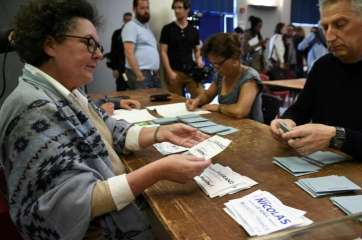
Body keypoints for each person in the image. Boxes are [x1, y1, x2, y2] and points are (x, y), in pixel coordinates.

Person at [0, 0, 211, 239]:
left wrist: (161, 132)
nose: (99, 54)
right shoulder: (33, 108)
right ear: (50, 44)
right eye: (89, 43)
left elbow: (106, 125)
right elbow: (73, 205)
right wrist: (158, 171)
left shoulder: (64, 91)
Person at [270, 0, 362, 172]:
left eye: (340, 24)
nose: (330, 36)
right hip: (322, 170)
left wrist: (336, 137)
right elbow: (300, 109)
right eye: (325, 28)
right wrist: (287, 121)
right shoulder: (322, 66)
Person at [186, 33, 264, 123]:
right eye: (213, 64)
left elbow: (240, 111)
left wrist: (219, 107)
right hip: (229, 124)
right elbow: (208, 95)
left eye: (219, 64)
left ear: (235, 58)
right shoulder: (221, 74)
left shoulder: (249, 78)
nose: (215, 68)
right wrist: (197, 101)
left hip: (252, 130)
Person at [160, 0, 204, 98]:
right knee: (177, 102)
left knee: (201, 97)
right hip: (174, 71)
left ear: (187, 9)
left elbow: (197, 49)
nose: (176, 11)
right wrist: (169, 71)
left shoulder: (193, 30)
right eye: (175, 8)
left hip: (191, 72)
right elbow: (163, 52)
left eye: (179, 8)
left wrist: (199, 59)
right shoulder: (167, 29)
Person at [122, 0, 161, 89]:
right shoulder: (130, 26)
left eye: (147, 8)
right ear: (135, 9)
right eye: (142, 8)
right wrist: (139, 75)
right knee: (144, 102)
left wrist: (156, 71)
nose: (146, 11)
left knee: (156, 103)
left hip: (152, 75)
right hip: (141, 74)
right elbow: (128, 52)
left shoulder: (147, 29)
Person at [106, 12, 132, 91]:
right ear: (123, 20)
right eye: (126, 20)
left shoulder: (135, 33)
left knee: (134, 91)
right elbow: (113, 50)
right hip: (121, 69)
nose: (128, 22)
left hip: (133, 69)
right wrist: (114, 68)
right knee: (122, 89)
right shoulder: (117, 34)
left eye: (129, 21)